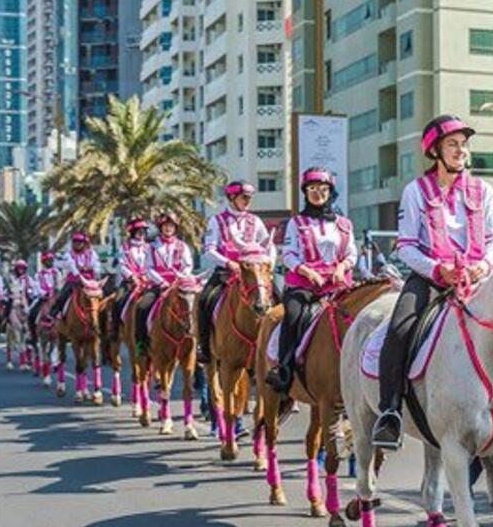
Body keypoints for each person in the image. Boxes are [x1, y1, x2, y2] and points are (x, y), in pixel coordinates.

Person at [370, 115, 493, 450]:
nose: (460, 150)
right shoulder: (415, 192)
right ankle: (389, 412)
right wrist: (436, 269)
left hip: (477, 281)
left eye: (463, 144)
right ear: (435, 151)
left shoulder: (484, 190)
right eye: (452, 144)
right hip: (430, 281)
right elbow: (406, 246)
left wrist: (484, 266)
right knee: (399, 330)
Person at [264, 168, 356, 392]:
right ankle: (284, 369)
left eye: (323, 189)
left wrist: (342, 267)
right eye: (312, 189)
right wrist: (308, 272)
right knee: (293, 316)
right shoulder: (297, 223)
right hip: (305, 286)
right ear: (305, 193)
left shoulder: (344, 224)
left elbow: (352, 253)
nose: (318, 193)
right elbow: (289, 254)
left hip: (337, 285)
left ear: (330, 192)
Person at [196, 179, 275, 364]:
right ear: (232, 198)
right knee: (205, 299)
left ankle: (273, 348)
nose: (247, 201)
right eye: (244, 198)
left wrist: (269, 262)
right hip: (226, 273)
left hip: (253, 273)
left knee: (277, 298)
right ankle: (204, 346)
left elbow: (268, 245)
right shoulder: (217, 221)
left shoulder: (255, 221)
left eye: (249, 198)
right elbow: (209, 250)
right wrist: (228, 263)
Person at [135, 213, 194, 352]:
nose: (168, 228)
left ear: (175, 228)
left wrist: (181, 278)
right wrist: (161, 282)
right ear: (160, 228)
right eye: (165, 226)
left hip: (179, 285)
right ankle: (141, 343)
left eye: (171, 226)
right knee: (142, 306)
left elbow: (188, 265)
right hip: (158, 286)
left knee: (192, 307)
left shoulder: (182, 246)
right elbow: (148, 268)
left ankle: (195, 345)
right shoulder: (151, 247)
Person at [47, 231, 102, 320]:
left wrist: (94, 274)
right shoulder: (69, 254)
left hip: (90, 282)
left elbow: (96, 265)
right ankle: (54, 312)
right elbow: (72, 267)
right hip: (74, 281)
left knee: (103, 294)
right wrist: (81, 271)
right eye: (75, 242)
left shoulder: (92, 254)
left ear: (84, 244)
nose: (77, 244)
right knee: (63, 295)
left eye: (80, 242)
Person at [112, 217, 151, 344]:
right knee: (117, 301)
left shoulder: (150, 247)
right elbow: (122, 265)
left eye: (143, 231)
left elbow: (152, 264)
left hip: (148, 281)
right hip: (129, 282)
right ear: (132, 232)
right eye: (138, 231)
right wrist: (131, 276)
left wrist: (147, 275)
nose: (141, 233)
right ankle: (115, 330)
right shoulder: (124, 247)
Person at [28, 252, 60, 342]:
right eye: (48, 261)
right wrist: (43, 293)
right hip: (43, 298)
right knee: (31, 312)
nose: (50, 262)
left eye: (51, 260)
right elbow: (36, 286)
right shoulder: (38, 274)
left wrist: (56, 290)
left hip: (54, 298)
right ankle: (32, 335)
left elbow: (59, 284)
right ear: (44, 262)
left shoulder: (57, 272)